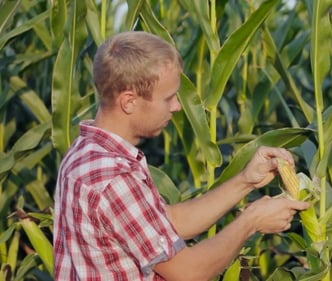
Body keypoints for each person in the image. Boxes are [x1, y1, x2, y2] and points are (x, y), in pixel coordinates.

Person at [53, 31, 310, 281]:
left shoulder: (86, 152)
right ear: (129, 101)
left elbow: (165, 223)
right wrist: (251, 221)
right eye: (168, 98)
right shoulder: (114, 177)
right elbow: (188, 272)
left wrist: (246, 181)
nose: (177, 106)